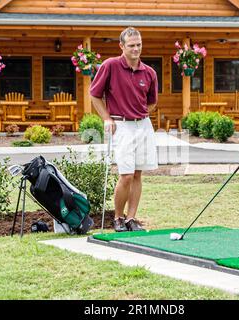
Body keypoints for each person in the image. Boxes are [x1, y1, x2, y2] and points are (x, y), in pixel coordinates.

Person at [90, 27, 158, 232]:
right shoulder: (110, 66)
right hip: (121, 126)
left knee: (138, 174)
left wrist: (139, 114)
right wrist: (107, 118)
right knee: (126, 175)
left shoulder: (149, 72)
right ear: (121, 46)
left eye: (139, 45)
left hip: (143, 125)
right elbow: (94, 95)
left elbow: (152, 102)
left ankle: (131, 218)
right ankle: (118, 218)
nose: (136, 49)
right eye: (131, 45)